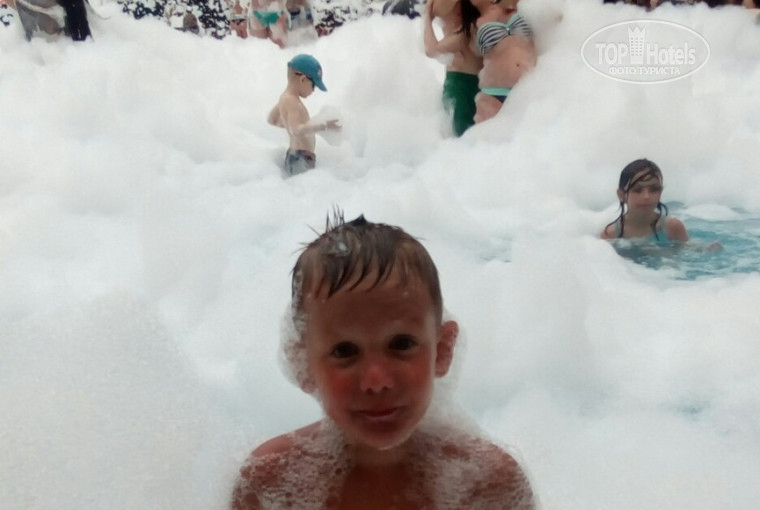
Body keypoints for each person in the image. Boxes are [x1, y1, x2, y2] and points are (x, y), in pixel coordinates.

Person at [230, 213, 536, 510]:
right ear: (303, 363)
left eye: (401, 344)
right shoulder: (270, 484)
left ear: (442, 350)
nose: (376, 381)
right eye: (345, 351)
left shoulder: (488, 486)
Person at [267, 54, 340, 177]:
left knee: (296, 186)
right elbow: (296, 130)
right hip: (301, 159)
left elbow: (272, 120)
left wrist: (288, 124)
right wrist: (323, 126)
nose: (313, 90)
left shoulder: (284, 98)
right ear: (303, 79)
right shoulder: (293, 102)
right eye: (313, 85)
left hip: (294, 155)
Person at [464, 0, 535, 124]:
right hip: (493, 94)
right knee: (490, 136)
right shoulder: (474, 24)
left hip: (530, 87)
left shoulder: (524, 6)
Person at [423, 0, 483, 136]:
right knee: (461, 137)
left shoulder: (467, 31)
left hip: (470, 83)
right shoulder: (466, 31)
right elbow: (431, 50)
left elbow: (431, 50)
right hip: (461, 82)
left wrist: (427, 17)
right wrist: (427, 16)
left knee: (464, 138)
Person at [601, 159, 689, 243]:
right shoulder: (610, 235)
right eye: (637, 190)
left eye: (654, 189)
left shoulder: (673, 228)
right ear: (622, 195)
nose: (646, 196)